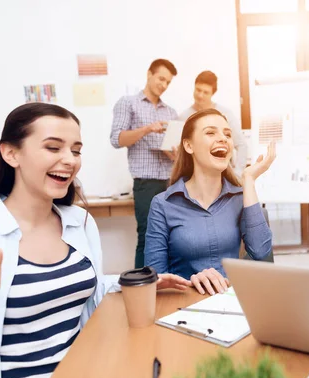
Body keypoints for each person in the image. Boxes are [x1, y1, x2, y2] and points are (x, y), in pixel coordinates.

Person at [0, 103, 190, 378]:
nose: (69, 160)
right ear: (11, 154)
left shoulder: (79, 222)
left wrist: (134, 282)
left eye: (75, 150)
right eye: (53, 147)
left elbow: (88, 289)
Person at [145, 108, 274, 296]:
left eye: (227, 134)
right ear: (189, 146)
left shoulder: (240, 197)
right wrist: (192, 282)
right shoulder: (162, 204)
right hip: (181, 308)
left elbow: (261, 253)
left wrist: (248, 180)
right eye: (211, 132)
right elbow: (154, 278)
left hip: (230, 302)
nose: (223, 138)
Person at [110, 58, 179, 269]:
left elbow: (172, 151)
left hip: (170, 181)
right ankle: (143, 285)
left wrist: (175, 154)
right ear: (149, 74)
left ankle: (168, 284)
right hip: (146, 182)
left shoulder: (171, 112)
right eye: (161, 79)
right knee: (148, 235)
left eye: (168, 82)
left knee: (173, 237)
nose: (164, 85)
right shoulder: (128, 103)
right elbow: (117, 139)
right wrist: (148, 129)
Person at [179, 71, 248, 176]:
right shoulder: (183, 117)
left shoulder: (226, 114)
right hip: (193, 176)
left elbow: (241, 145)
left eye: (205, 92)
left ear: (212, 94)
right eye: (198, 90)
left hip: (222, 175)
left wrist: (237, 173)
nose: (200, 95)